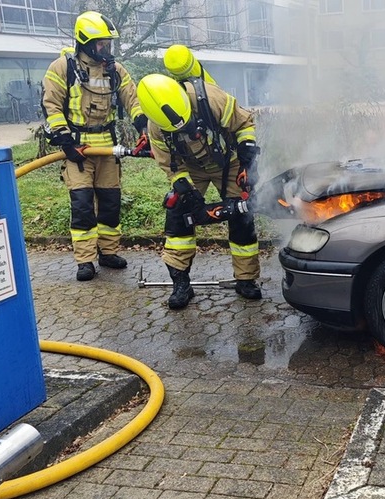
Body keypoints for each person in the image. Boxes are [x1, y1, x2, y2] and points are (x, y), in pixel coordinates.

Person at [136, 73, 262, 309]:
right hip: (191, 167)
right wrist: (185, 188)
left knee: (242, 215)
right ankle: (181, 283)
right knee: (178, 216)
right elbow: (170, 164)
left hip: (229, 162)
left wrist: (246, 156)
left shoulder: (210, 98)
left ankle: (246, 279)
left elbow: (244, 123)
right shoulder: (156, 128)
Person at [42, 11, 147, 282]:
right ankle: (85, 260)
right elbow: (51, 106)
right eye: (101, 44)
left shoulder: (114, 69)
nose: (106, 49)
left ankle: (108, 252)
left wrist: (143, 126)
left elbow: (133, 100)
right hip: (78, 149)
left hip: (108, 148)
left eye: (108, 44)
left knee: (111, 204)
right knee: (82, 205)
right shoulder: (62, 68)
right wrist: (65, 142)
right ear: (86, 42)